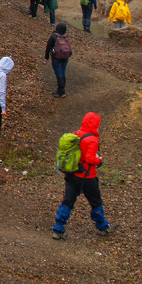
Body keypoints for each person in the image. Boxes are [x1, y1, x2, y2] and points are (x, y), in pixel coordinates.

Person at [52, 112, 114, 240]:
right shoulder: (92, 139)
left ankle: (58, 228)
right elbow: (90, 159)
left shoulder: (75, 135)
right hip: (87, 176)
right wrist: (99, 160)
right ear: (95, 125)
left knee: (67, 201)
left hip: (71, 174)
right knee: (96, 202)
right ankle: (103, 227)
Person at [45, 22, 71, 97]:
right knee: (62, 72)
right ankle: (61, 90)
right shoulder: (66, 36)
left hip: (56, 57)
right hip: (65, 57)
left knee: (59, 73)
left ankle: (61, 91)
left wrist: (46, 56)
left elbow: (48, 47)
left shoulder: (54, 36)